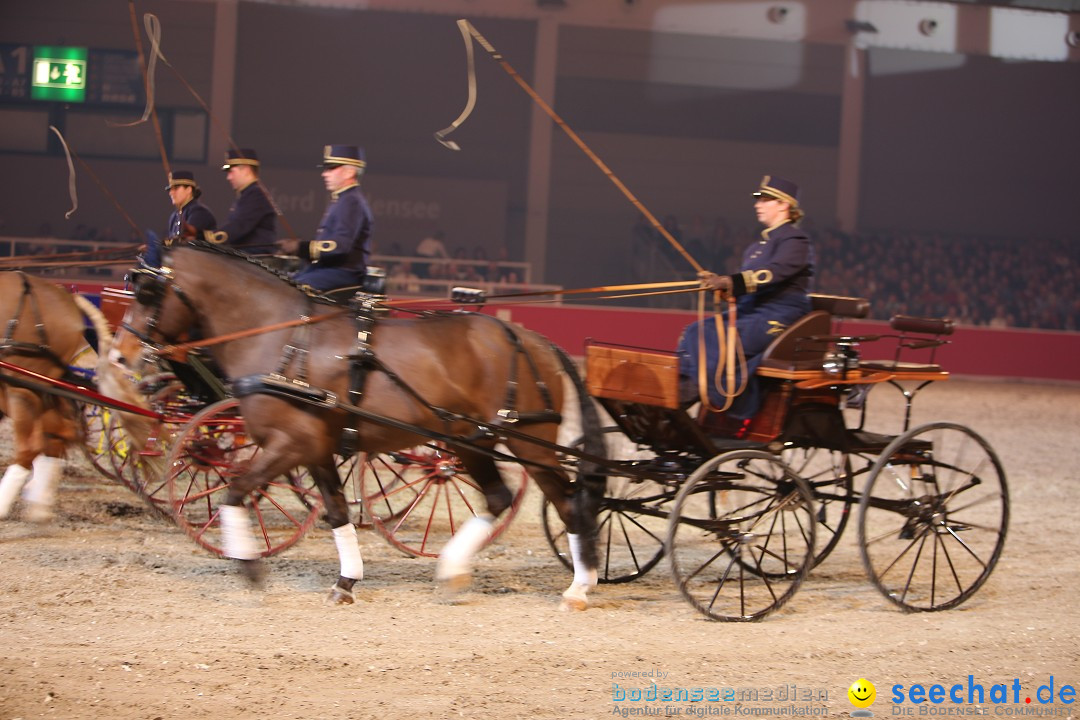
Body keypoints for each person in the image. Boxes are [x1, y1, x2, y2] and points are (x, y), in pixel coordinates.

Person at [677, 175, 815, 423]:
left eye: (765, 199)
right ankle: (683, 389)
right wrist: (723, 286)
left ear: (784, 205)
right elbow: (746, 283)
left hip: (778, 316)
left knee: (725, 341)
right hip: (750, 311)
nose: (757, 204)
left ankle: (706, 397)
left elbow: (772, 273)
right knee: (694, 331)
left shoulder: (795, 241)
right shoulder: (756, 248)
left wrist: (731, 282)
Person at [276, 145, 374, 294]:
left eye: (331, 168)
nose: (324, 174)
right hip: (326, 269)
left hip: (343, 273)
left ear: (349, 172)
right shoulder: (342, 199)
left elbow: (339, 246)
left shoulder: (351, 201)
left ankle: (303, 319)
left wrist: (300, 247)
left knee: (289, 293)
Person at [197, 148, 277, 252]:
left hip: (254, 258)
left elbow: (238, 227)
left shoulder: (257, 195)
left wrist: (204, 238)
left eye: (231, 171)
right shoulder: (248, 195)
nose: (228, 177)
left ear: (246, 170)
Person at [143, 170, 217, 267]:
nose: (171, 193)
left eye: (176, 188)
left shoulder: (199, 212)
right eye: (170, 189)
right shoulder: (174, 216)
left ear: (189, 189)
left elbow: (185, 242)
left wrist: (158, 245)